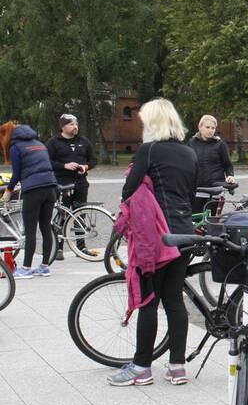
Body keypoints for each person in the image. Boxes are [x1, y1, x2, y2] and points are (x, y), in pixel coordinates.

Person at [107, 99, 198, 386]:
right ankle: (177, 366)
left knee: (149, 301)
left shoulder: (150, 150)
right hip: (184, 231)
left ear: (153, 123)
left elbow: (129, 189)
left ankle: (142, 367)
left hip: (158, 236)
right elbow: (190, 193)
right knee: (173, 299)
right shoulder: (189, 152)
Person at [2, 124, 59, 278]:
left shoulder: (16, 147)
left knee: (30, 230)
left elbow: (16, 174)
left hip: (34, 191)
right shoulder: (39, 144)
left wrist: (8, 191)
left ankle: (26, 268)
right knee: (46, 227)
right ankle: (44, 267)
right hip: (51, 188)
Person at [46, 114, 98, 259]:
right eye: (71, 124)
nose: (75, 127)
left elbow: (93, 160)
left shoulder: (84, 141)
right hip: (62, 184)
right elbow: (47, 162)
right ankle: (58, 249)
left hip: (81, 183)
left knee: (80, 214)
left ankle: (80, 248)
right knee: (62, 215)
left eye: (76, 124)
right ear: (63, 127)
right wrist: (64, 165)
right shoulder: (53, 142)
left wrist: (86, 166)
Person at [188, 115, 235, 212]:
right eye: (207, 127)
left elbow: (228, 165)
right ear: (200, 127)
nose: (210, 130)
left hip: (215, 189)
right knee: (196, 221)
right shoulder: (191, 143)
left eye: (213, 128)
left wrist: (230, 176)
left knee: (212, 220)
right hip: (197, 189)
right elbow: (187, 164)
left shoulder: (220, 144)